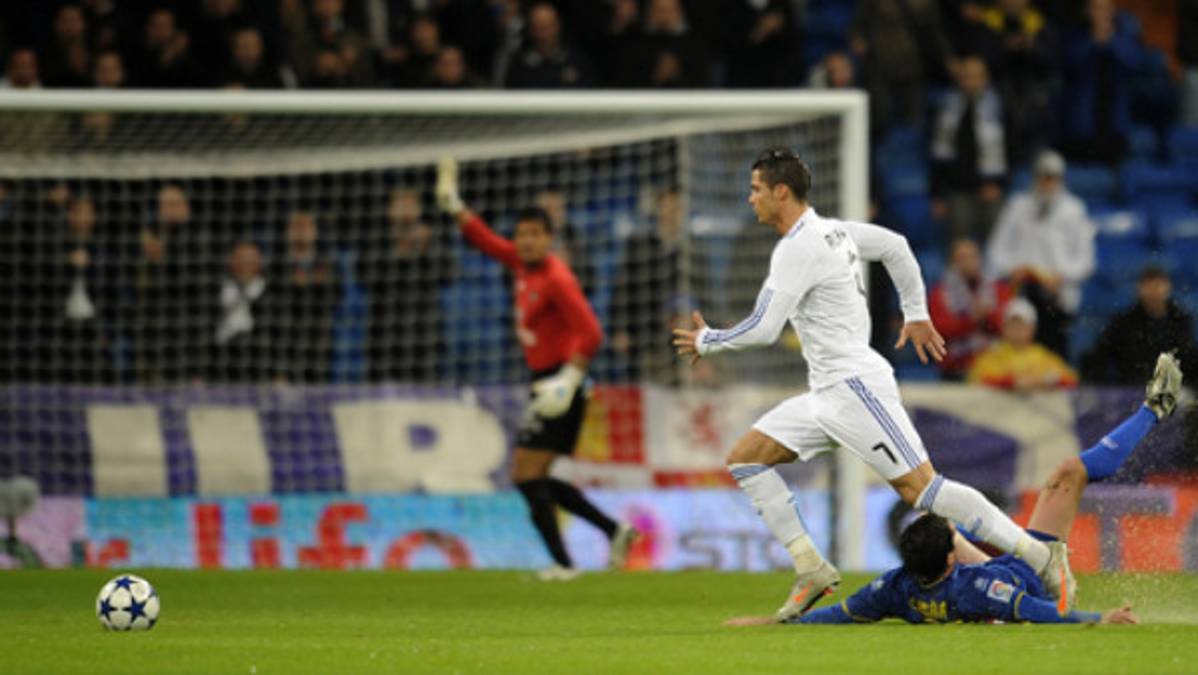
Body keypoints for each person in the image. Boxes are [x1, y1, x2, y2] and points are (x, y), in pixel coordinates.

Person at [672, 147, 1071, 621]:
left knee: (923, 490)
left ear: (781, 192)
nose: (750, 197)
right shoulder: (833, 232)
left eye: (756, 188)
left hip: (857, 386)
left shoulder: (799, 247)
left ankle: (1040, 556)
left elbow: (763, 327)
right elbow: (895, 246)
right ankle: (810, 567)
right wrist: (916, 313)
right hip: (826, 393)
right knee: (746, 459)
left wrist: (708, 340)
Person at [726, 352, 1183, 626]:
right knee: (1069, 471)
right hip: (1032, 586)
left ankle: (1154, 407)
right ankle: (1154, 411)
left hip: (993, 572)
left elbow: (841, 613)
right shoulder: (978, 588)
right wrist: (1098, 618)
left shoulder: (897, 589)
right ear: (950, 558)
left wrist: (777, 621)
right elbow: (1034, 612)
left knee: (1044, 482)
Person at [435, 157, 635, 581]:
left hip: (562, 382)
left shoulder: (557, 278)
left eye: (535, 234)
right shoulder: (522, 265)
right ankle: (613, 531)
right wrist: (456, 208)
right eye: (521, 234)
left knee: (525, 475)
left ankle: (565, 563)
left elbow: (592, 332)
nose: (525, 241)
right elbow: (487, 242)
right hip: (547, 381)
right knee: (534, 475)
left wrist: (569, 378)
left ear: (549, 238)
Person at [986, 150, 1095, 359]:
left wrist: (1061, 275)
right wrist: (1011, 268)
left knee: (1054, 354)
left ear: (1060, 179)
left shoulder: (1074, 210)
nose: (1047, 182)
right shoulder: (1017, 206)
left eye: (1052, 177)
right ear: (1035, 177)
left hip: (1057, 295)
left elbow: (1085, 261)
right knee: (1018, 353)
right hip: (1023, 291)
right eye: (1043, 176)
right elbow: (997, 250)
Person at [930, 55, 1008, 244]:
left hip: (991, 185)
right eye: (966, 76)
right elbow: (938, 152)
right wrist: (938, 193)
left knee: (996, 240)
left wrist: (999, 183)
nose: (970, 81)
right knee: (959, 240)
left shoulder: (999, 107)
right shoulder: (947, 108)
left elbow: (1012, 148)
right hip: (958, 186)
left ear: (985, 78)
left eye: (975, 76)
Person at [1083, 266, 1198, 384]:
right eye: (1149, 286)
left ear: (1168, 287)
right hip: (1132, 390)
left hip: (1174, 390)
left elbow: (1188, 357)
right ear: (1140, 289)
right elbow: (1101, 356)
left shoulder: (1180, 321)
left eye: (1158, 286)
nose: (1154, 292)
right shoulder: (1124, 323)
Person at [929, 238, 1012, 380]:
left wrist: (987, 317)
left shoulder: (998, 289)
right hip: (957, 366)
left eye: (972, 256)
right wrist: (970, 321)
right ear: (952, 263)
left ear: (980, 259)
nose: (968, 262)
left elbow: (1010, 325)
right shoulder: (940, 293)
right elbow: (938, 331)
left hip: (995, 364)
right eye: (962, 258)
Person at [967, 297, 1078, 391]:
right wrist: (1011, 382)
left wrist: (1048, 381)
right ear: (1004, 327)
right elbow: (976, 380)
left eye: (1022, 325)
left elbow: (1071, 381)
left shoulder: (1042, 356)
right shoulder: (993, 354)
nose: (1017, 330)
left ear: (1032, 329)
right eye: (1013, 325)